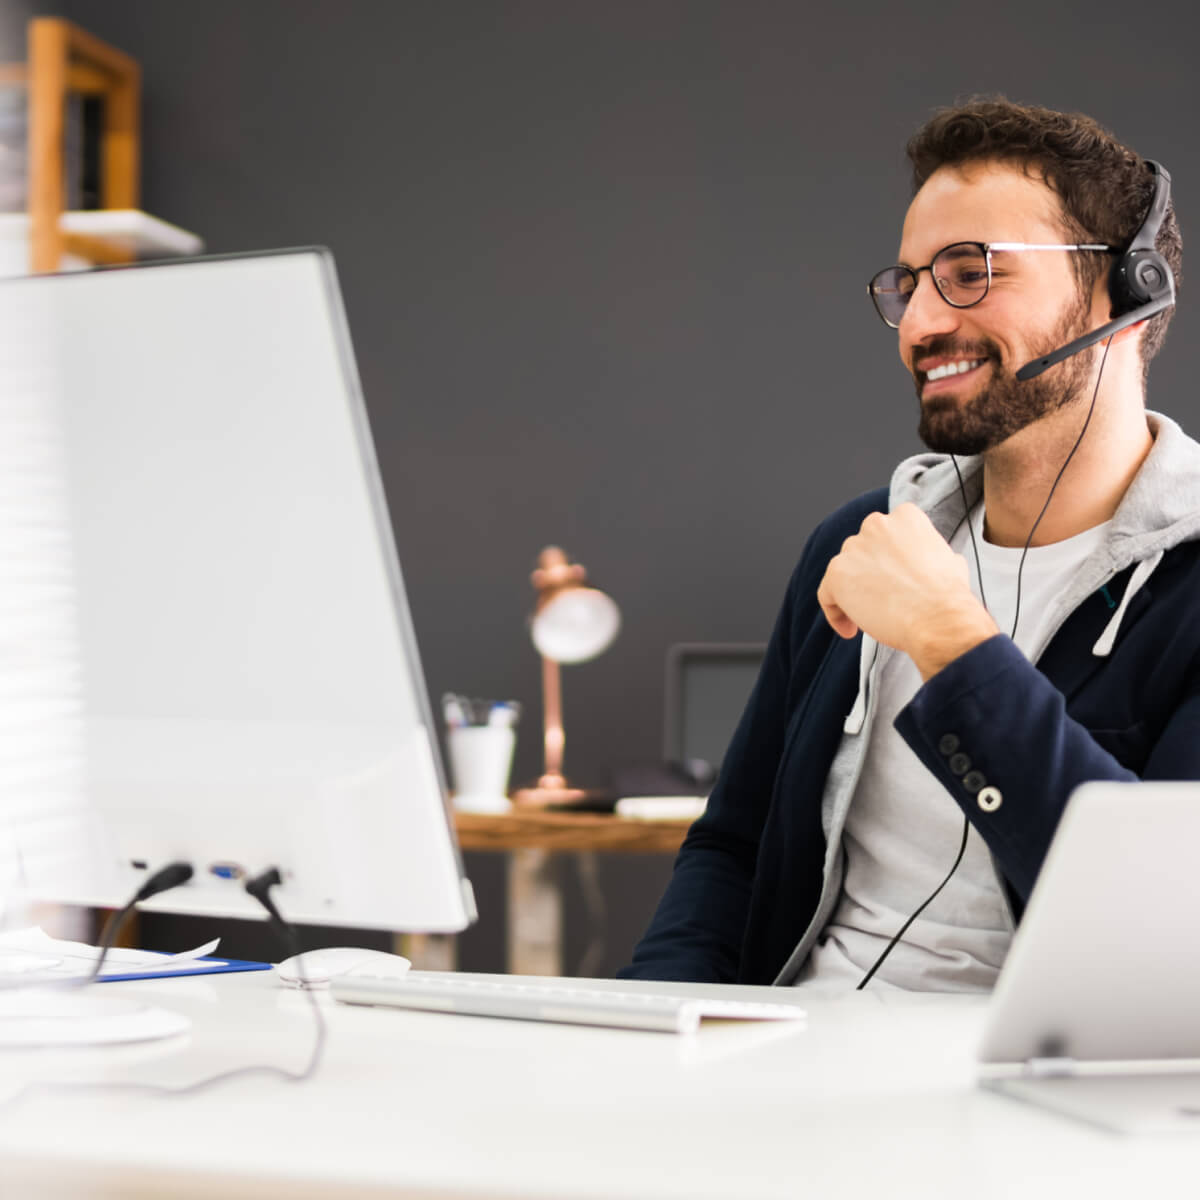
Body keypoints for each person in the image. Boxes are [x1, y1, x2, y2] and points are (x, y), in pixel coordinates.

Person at [619, 98, 1199, 991]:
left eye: (971, 273)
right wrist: (649, 1032)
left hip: (1024, 1100)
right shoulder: (860, 544)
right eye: (912, 283)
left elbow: (1164, 935)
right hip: (785, 1068)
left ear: (1125, 289)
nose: (922, 324)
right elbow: (732, 847)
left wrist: (953, 644)